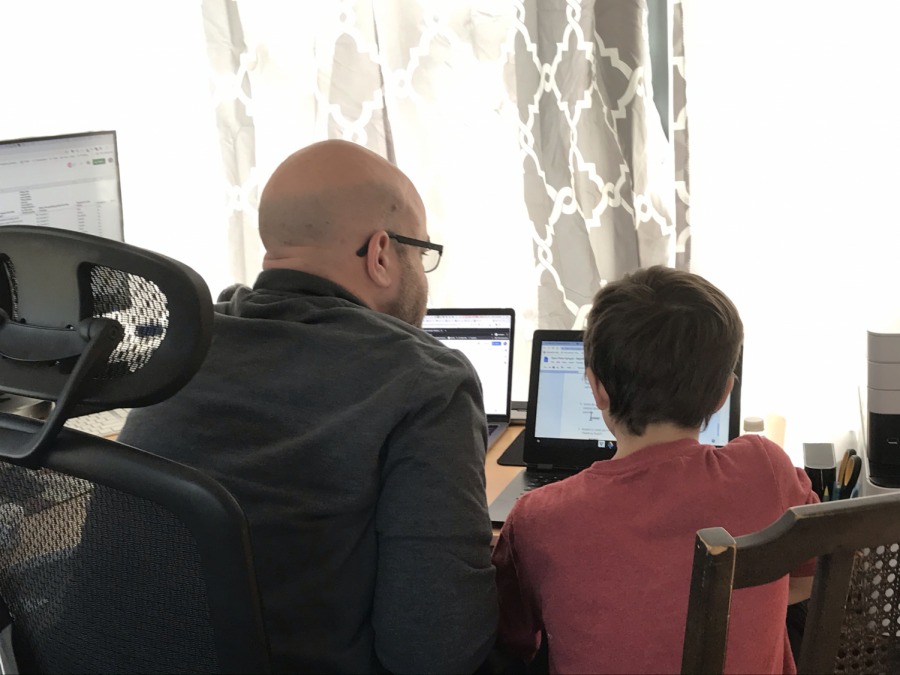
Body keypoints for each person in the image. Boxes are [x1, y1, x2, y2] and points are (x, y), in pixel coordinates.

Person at [118, 140, 498, 673]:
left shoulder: (184, 345)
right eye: (421, 252)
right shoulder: (425, 381)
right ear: (382, 254)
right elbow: (435, 652)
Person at [492, 266, 817, 674]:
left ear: (596, 388)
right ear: (722, 396)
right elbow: (811, 574)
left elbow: (512, 637)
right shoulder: (766, 467)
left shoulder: (537, 518)